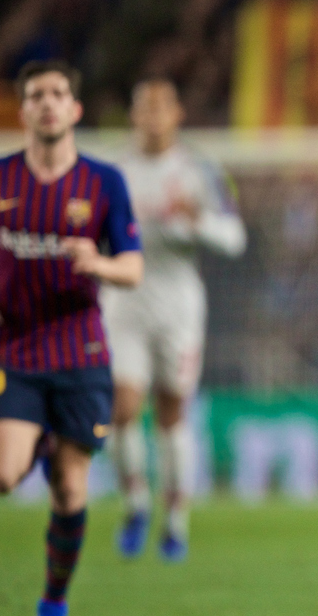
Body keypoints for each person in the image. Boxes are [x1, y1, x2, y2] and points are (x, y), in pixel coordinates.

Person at [0, 60, 143, 616]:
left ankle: (53, 602)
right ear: (23, 110)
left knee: (71, 487)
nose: (48, 103)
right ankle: (40, 442)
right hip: (19, 350)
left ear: (74, 109)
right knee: (0, 477)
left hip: (80, 353)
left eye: (58, 93)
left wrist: (97, 262)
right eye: (36, 95)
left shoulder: (103, 182)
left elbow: (133, 266)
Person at [103, 78, 246, 562]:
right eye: (144, 107)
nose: (153, 116)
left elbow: (234, 238)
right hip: (123, 300)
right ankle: (136, 501)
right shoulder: (112, 172)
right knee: (122, 407)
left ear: (177, 114)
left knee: (171, 412)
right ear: (133, 115)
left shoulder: (198, 171)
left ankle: (177, 520)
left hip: (178, 304)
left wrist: (195, 223)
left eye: (162, 106)